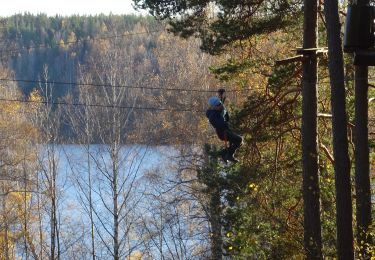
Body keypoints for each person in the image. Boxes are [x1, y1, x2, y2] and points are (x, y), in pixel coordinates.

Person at [206, 95, 242, 163]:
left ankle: (226, 154)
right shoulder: (212, 116)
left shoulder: (216, 111)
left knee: (237, 141)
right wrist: (222, 114)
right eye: (218, 105)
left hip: (225, 131)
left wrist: (223, 111)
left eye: (220, 103)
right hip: (223, 133)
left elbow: (227, 118)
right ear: (213, 107)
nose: (220, 105)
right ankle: (226, 154)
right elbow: (221, 124)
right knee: (239, 140)